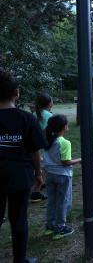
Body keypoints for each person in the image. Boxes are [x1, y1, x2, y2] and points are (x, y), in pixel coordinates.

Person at [0, 68, 45, 263]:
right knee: (18, 219)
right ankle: (19, 260)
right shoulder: (27, 119)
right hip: (19, 176)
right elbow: (35, 151)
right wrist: (39, 174)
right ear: (16, 92)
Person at [43, 115, 81, 240]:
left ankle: (50, 225)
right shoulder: (64, 142)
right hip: (62, 176)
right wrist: (80, 159)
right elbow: (66, 162)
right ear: (64, 127)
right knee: (63, 201)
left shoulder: (48, 140)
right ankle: (60, 227)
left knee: (52, 200)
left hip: (49, 175)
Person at [30, 92, 54, 203]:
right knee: (43, 167)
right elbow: (52, 131)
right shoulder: (49, 116)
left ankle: (40, 184)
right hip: (45, 146)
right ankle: (35, 191)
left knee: (40, 166)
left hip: (34, 146)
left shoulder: (34, 114)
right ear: (49, 103)